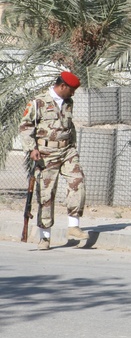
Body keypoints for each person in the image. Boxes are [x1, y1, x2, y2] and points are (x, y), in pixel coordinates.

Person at [20, 71, 87, 249]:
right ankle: (45, 236)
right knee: (46, 194)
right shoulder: (38, 102)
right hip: (45, 153)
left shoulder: (68, 102)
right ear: (62, 86)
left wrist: (72, 146)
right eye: (71, 90)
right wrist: (31, 148)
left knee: (77, 181)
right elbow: (25, 126)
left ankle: (73, 226)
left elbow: (68, 125)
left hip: (67, 151)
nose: (73, 94)